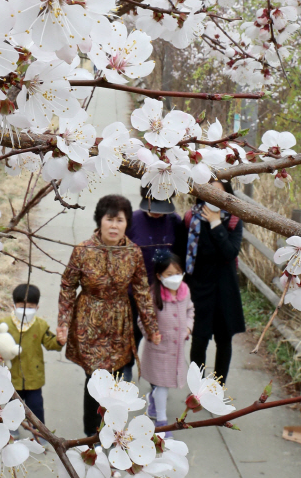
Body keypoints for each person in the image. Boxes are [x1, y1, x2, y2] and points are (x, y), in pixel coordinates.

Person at [56, 194, 161, 437]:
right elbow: (67, 286)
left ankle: (111, 432)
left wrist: (151, 327)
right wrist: (63, 321)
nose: (114, 226)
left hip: (119, 323)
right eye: (109, 219)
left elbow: (143, 292)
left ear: (127, 224)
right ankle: (91, 435)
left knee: (115, 378)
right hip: (88, 321)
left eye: (120, 221)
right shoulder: (83, 250)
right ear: (100, 220)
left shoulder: (134, 253)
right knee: (94, 379)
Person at [180, 180, 245, 383]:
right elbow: (183, 253)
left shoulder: (234, 220)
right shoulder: (191, 217)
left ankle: (217, 387)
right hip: (199, 285)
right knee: (199, 340)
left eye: (220, 193)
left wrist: (216, 223)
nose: (214, 197)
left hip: (225, 288)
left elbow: (230, 252)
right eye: (210, 192)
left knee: (223, 340)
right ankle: (197, 387)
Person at [124, 186, 186, 372]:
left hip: (162, 292)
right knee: (131, 337)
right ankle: (125, 375)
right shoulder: (132, 220)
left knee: (160, 339)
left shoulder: (175, 222)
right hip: (134, 292)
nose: (158, 213)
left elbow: (180, 255)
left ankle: (158, 383)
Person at [0, 282, 63, 425]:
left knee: (36, 407)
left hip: (34, 377)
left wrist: (59, 341)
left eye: (30, 307)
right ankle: (11, 430)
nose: (26, 310)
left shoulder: (40, 325)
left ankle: (40, 434)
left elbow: (49, 343)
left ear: (37, 308)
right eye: (22, 307)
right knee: (10, 407)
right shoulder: (5, 323)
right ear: (14, 306)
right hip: (11, 377)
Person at [138, 250, 194, 432]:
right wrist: (151, 333)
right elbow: (143, 319)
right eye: (169, 274)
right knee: (162, 385)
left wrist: (188, 327)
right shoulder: (153, 295)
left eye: (177, 273)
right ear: (159, 276)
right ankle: (161, 422)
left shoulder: (185, 292)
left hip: (176, 350)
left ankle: (153, 402)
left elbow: (190, 311)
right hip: (159, 350)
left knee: (165, 384)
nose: (174, 278)